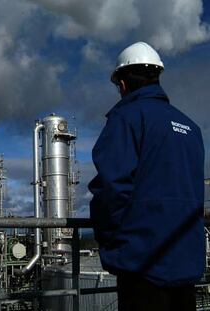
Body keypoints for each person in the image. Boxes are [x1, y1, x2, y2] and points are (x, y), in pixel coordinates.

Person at [88, 42, 205, 311]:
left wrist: (112, 243)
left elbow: (112, 188)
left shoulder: (127, 117)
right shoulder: (191, 127)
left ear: (123, 84)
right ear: (157, 77)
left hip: (143, 263)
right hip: (186, 259)